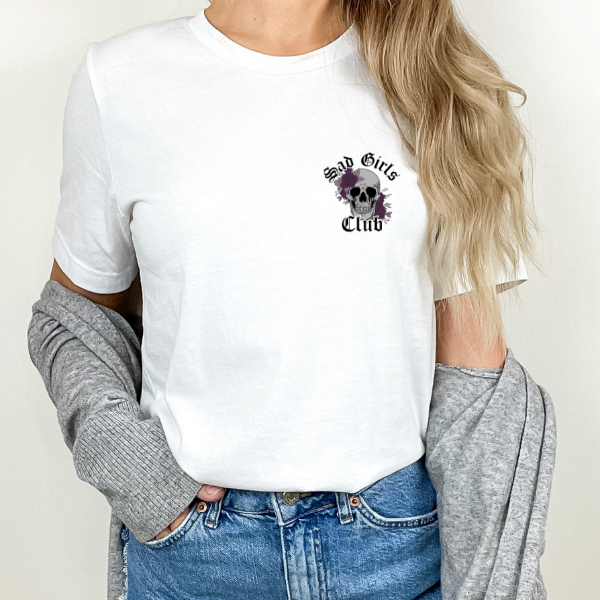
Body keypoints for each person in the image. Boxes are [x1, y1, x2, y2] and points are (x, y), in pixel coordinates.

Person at [47, 0, 534, 597]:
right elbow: (74, 316)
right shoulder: (119, 77)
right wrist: (132, 466)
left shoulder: (441, 81)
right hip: (196, 557)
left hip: (393, 549)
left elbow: (476, 392)